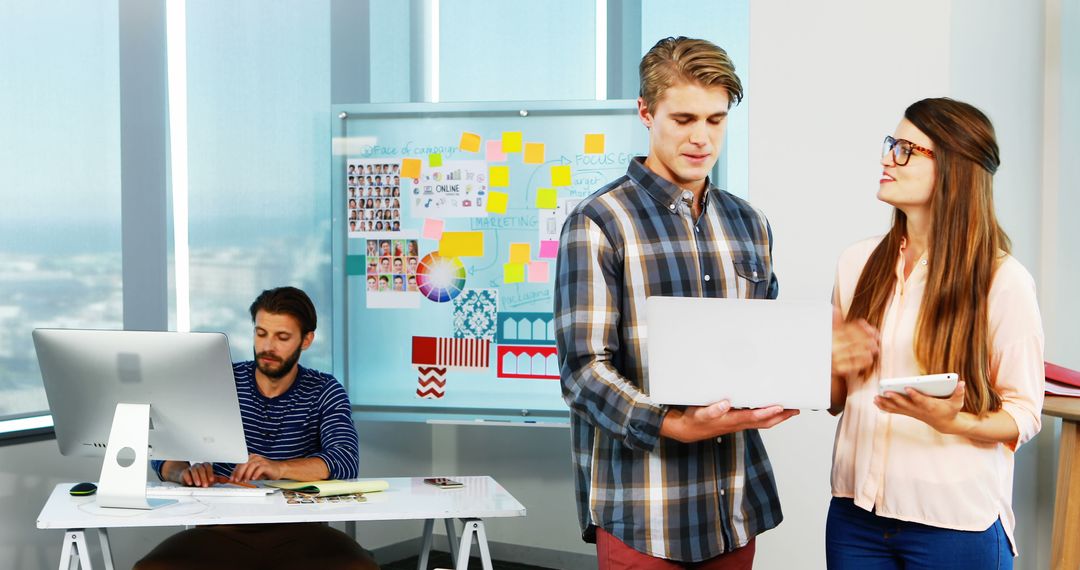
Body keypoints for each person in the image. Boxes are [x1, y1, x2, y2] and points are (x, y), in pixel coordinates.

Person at [826, 98, 1044, 569]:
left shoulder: (1003, 281)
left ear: (954, 168)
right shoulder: (856, 263)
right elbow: (836, 398)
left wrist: (953, 422)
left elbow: (1024, 414)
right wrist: (824, 360)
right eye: (891, 144)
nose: (887, 158)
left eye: (906, 149)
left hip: (953, 525)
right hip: (853, 519)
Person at [135, 287, 377, 570]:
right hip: (219, 527)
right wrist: (184, 472)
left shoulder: (324, 390)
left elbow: (345, 461)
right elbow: (163, 451)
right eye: (261, 333)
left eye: (282, 337)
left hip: (300, 530)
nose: (268, 347)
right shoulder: (219, 381)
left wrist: (279, 468)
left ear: (306, 340)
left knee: (359, 567)